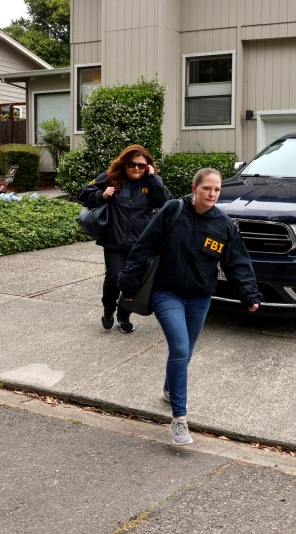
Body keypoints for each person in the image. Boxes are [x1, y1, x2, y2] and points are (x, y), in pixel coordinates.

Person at [118, 168, 261, 446]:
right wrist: (129, 284)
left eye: (217, 190)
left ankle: (170, 389)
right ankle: (180, 420)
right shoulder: (173, 211)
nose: (212, 194)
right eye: (207, 188)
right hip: (166, 293)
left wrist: (249, 294)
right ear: (195, 188)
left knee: (186, 352)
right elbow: (143, 247)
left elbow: (237, 263)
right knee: (180, 348)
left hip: (199, 297)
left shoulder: (224, 225)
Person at [80, 144, 172, 333]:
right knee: (114, 276)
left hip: (141, 243)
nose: (136, 168)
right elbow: (85, 194)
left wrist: (154, 178)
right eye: (132, 164)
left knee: (133, 281)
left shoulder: (150, 182)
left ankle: (124, 316)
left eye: (142, 165)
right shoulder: (111, 177)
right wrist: (102, 194)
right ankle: (108, 308)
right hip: (114, 240)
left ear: (148, 167)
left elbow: (167, 202)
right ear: (124, 164)